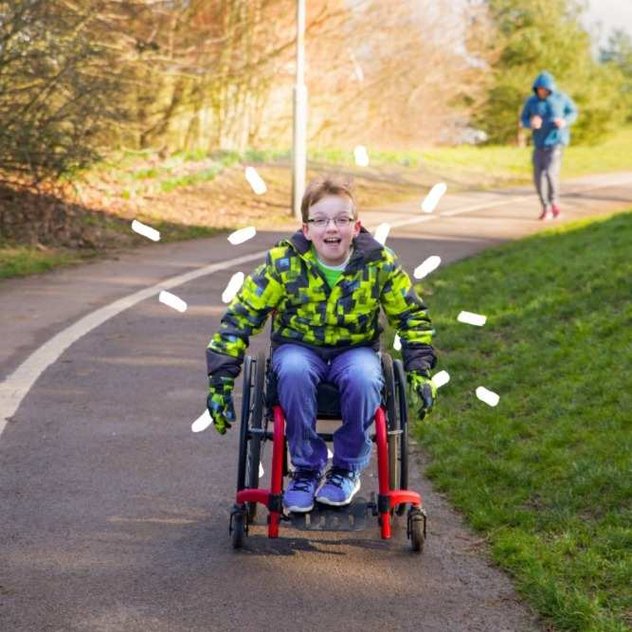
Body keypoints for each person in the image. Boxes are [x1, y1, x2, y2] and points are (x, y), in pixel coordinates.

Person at [205, 176, 437, 513]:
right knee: (295, 370)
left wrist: (420, 372)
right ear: (306, 229)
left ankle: (346, 469)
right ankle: (306, 469)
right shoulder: (282, 265)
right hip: (299, 348)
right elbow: (240, 317)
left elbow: (412, 316)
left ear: (356, 227)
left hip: (354, 351)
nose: (332, 227)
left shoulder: (379, 263)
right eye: (321, 220)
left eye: (342, 219)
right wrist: (220, 382)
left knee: (365, 376)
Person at [520, 71, 578, 220]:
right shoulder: (531, 102)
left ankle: (554, 203)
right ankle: (545, 206)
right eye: (539, 89)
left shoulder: (561, 98)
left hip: (556, 143)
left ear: (550, 89)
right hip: (539, 144)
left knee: (551, 174)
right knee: (538, 177)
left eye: (544, 89)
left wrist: (564, 121)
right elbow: (524, 119)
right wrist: (531, 123)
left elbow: (573, 112)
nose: (542, 91)